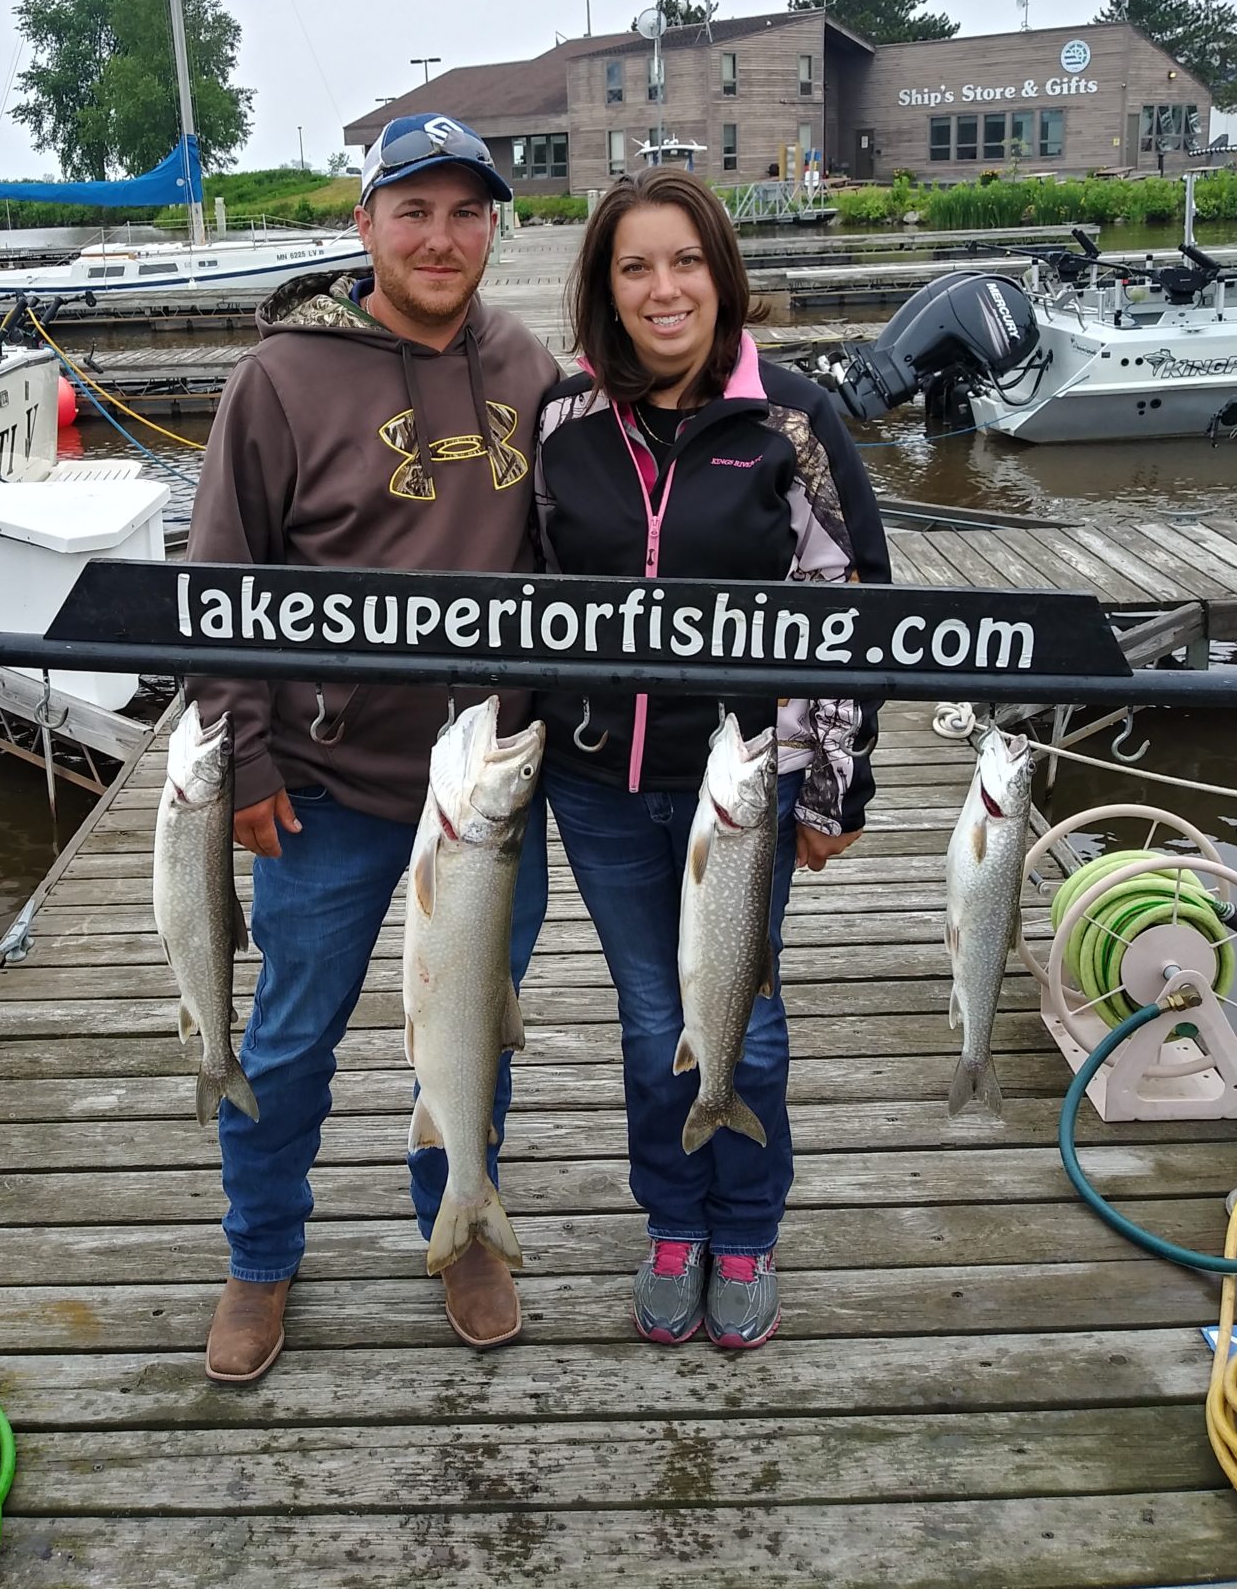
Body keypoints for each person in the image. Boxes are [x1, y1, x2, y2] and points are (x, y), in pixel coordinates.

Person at [186, 114, 559, 1384]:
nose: (442, 237)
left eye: (467, 212)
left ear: (492, 226)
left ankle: (459, 1220)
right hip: (329, 789)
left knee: (478, 1021)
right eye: (415, 211)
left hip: (490, 793)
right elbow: (218, 582)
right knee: (290, 1035)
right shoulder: (280, 379)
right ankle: (260, 1253)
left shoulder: (527, 365)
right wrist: (242, 757)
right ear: (366, 225)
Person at [534, 166, 890, 1350]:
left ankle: (748, 1222)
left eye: (685, 259)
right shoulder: (562, 419)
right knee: (650, 1019)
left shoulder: (793, 417)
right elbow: (522, 598)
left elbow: (852, 605)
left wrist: (837, 781)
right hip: (600, 782)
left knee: (751, 1018)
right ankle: (672, 1216)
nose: (663, 286)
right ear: (605, 287)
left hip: (743, 790)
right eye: (635, 265)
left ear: (721, 273)